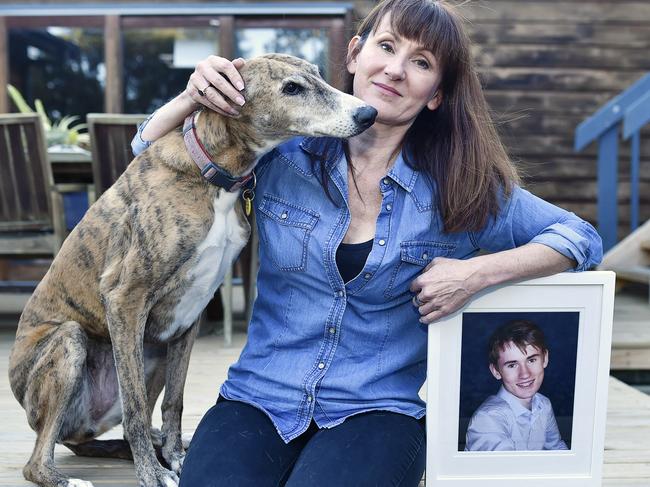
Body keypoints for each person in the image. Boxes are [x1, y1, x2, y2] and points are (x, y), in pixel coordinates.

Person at [131, 0, 601, 484]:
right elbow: (148, 158)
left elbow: (579, 238)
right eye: (386, 46)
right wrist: (192, 96)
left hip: (379, 409)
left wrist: (474, 274)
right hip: (260, 396)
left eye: (421, 63)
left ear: (436, 94)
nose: (396, 70)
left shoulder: (461, 185)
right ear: (355, 54)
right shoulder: (281, 154)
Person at [465, 320, 569, 451]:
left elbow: (557, 450)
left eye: (531, 360)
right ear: (496, 371)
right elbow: (507, 470)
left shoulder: (543, 404)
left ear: (545, 358)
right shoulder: (487, 420)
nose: (525, 374)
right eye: (512, 365)